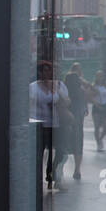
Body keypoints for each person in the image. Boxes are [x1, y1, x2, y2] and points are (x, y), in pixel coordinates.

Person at [30, 60, 70, 189]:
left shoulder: (59, 85)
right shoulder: (33, 87)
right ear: (39, 72)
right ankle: (38, 178)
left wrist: (58, 96)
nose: (47, 73)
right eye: (44, 70)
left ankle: (51, 173)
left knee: (61, 151)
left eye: (49, 70)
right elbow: (29, 104)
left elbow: (67, 102)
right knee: (39, 153)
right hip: (40, 124)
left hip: (56, 124)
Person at [62, 62, 88, 180]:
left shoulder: (64, 91)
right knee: (78, 146)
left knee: (63, 146)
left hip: (65, 123)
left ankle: (60, 170)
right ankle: (77, 170)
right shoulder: (81, 91)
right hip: (77, 123)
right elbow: (84, 106)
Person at [90, 69, 106, 150]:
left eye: (101, 76)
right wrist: (96, 104)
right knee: (97, 126)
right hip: (97, 107)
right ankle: (98, 143)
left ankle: (100, 138)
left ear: (104, 77)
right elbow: (90, 97)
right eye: (98, 76)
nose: (100, 77)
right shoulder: (93, 86)